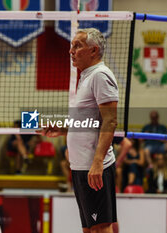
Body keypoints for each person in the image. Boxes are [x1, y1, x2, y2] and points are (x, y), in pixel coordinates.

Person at [40, 28, 118, 233]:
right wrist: (64, 129)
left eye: (77, 46)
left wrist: (98, 163)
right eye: (71, 46)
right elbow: (91, 121)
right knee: (89, 229)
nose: (70, 51)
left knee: (101, 228)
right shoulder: (86, 77)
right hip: (80, 167)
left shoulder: (100, 75)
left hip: (94, 167)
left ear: (93, 51)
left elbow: (110, 122)